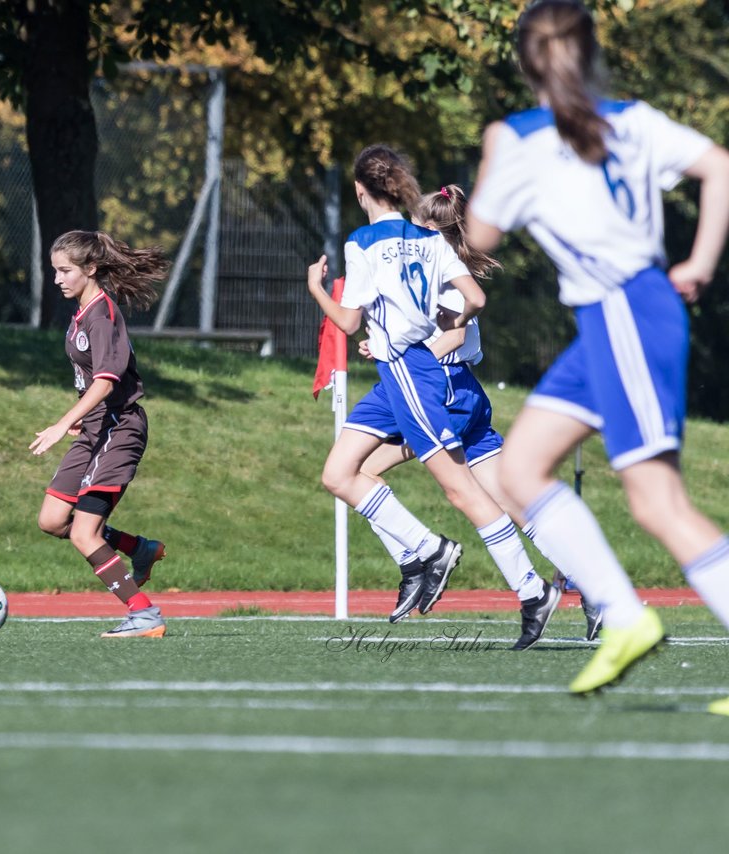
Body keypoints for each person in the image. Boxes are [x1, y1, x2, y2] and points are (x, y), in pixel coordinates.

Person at [466, 0, 729, 705]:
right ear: (590, 55)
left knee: (659, 502)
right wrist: (698, 262)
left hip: (626, 312)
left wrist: (492, 157)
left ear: (525, 63)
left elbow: (481, 235)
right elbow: (720, 166)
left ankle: (623, 617)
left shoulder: (517, 137)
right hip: (617, 317)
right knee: (519, 470)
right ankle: (623, 618)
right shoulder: (635, 119)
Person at [307, 145, 561, 651]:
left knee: (462, 490)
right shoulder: (428, 238)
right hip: (397, 373)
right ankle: (423, 550)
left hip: (409, 373)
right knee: (338, 473)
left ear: (362, 192)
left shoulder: (362, 243)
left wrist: (316, 288)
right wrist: (443, 327)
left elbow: (349, 319)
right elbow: (477, 297)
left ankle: (531, 591)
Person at [359, 186, 600, 643]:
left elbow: (452, 335)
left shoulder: (443, 273)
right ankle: (591, 586)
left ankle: (420, 559)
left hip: (441, 391)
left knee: (358, 471)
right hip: (462, 391)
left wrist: (399, 349)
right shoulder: (437, 267)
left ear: (432, 230)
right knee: (511, 501)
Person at [30, 230, 168, 638]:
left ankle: (144, 615)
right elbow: (92, 380)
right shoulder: (81, 313)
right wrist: (78, 419)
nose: (57, 279)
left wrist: (60, 424)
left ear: (90, 269)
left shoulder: (102, 314)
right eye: (54, 270)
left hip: (119, 427)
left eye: (65, 271)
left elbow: (107, 382)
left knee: (83, 532)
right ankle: (139, 549)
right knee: (53, 520)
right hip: (96, 427)